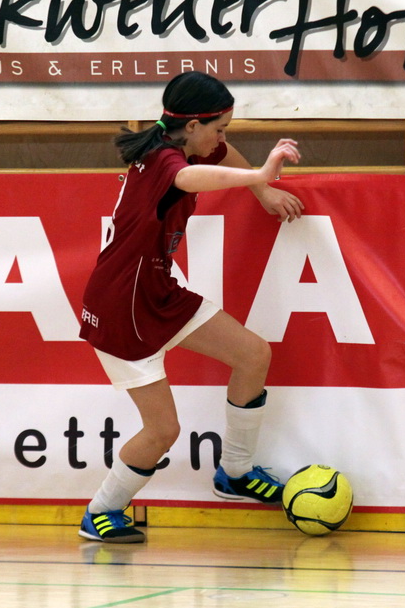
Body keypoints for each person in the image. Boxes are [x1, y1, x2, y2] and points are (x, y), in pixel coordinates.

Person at [77, 71, 303, 543]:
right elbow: (188, 177)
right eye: (220, 128)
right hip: (121, 308)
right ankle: (101, 511)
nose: (223, 138)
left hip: (157, 289)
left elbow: (220, 155)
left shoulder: (181, 141)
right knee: (163, 431)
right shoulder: (167, 160)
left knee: (253, 354)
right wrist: (260, 175)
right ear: (194, 125)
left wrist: (261, 191)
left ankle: (235, 473)